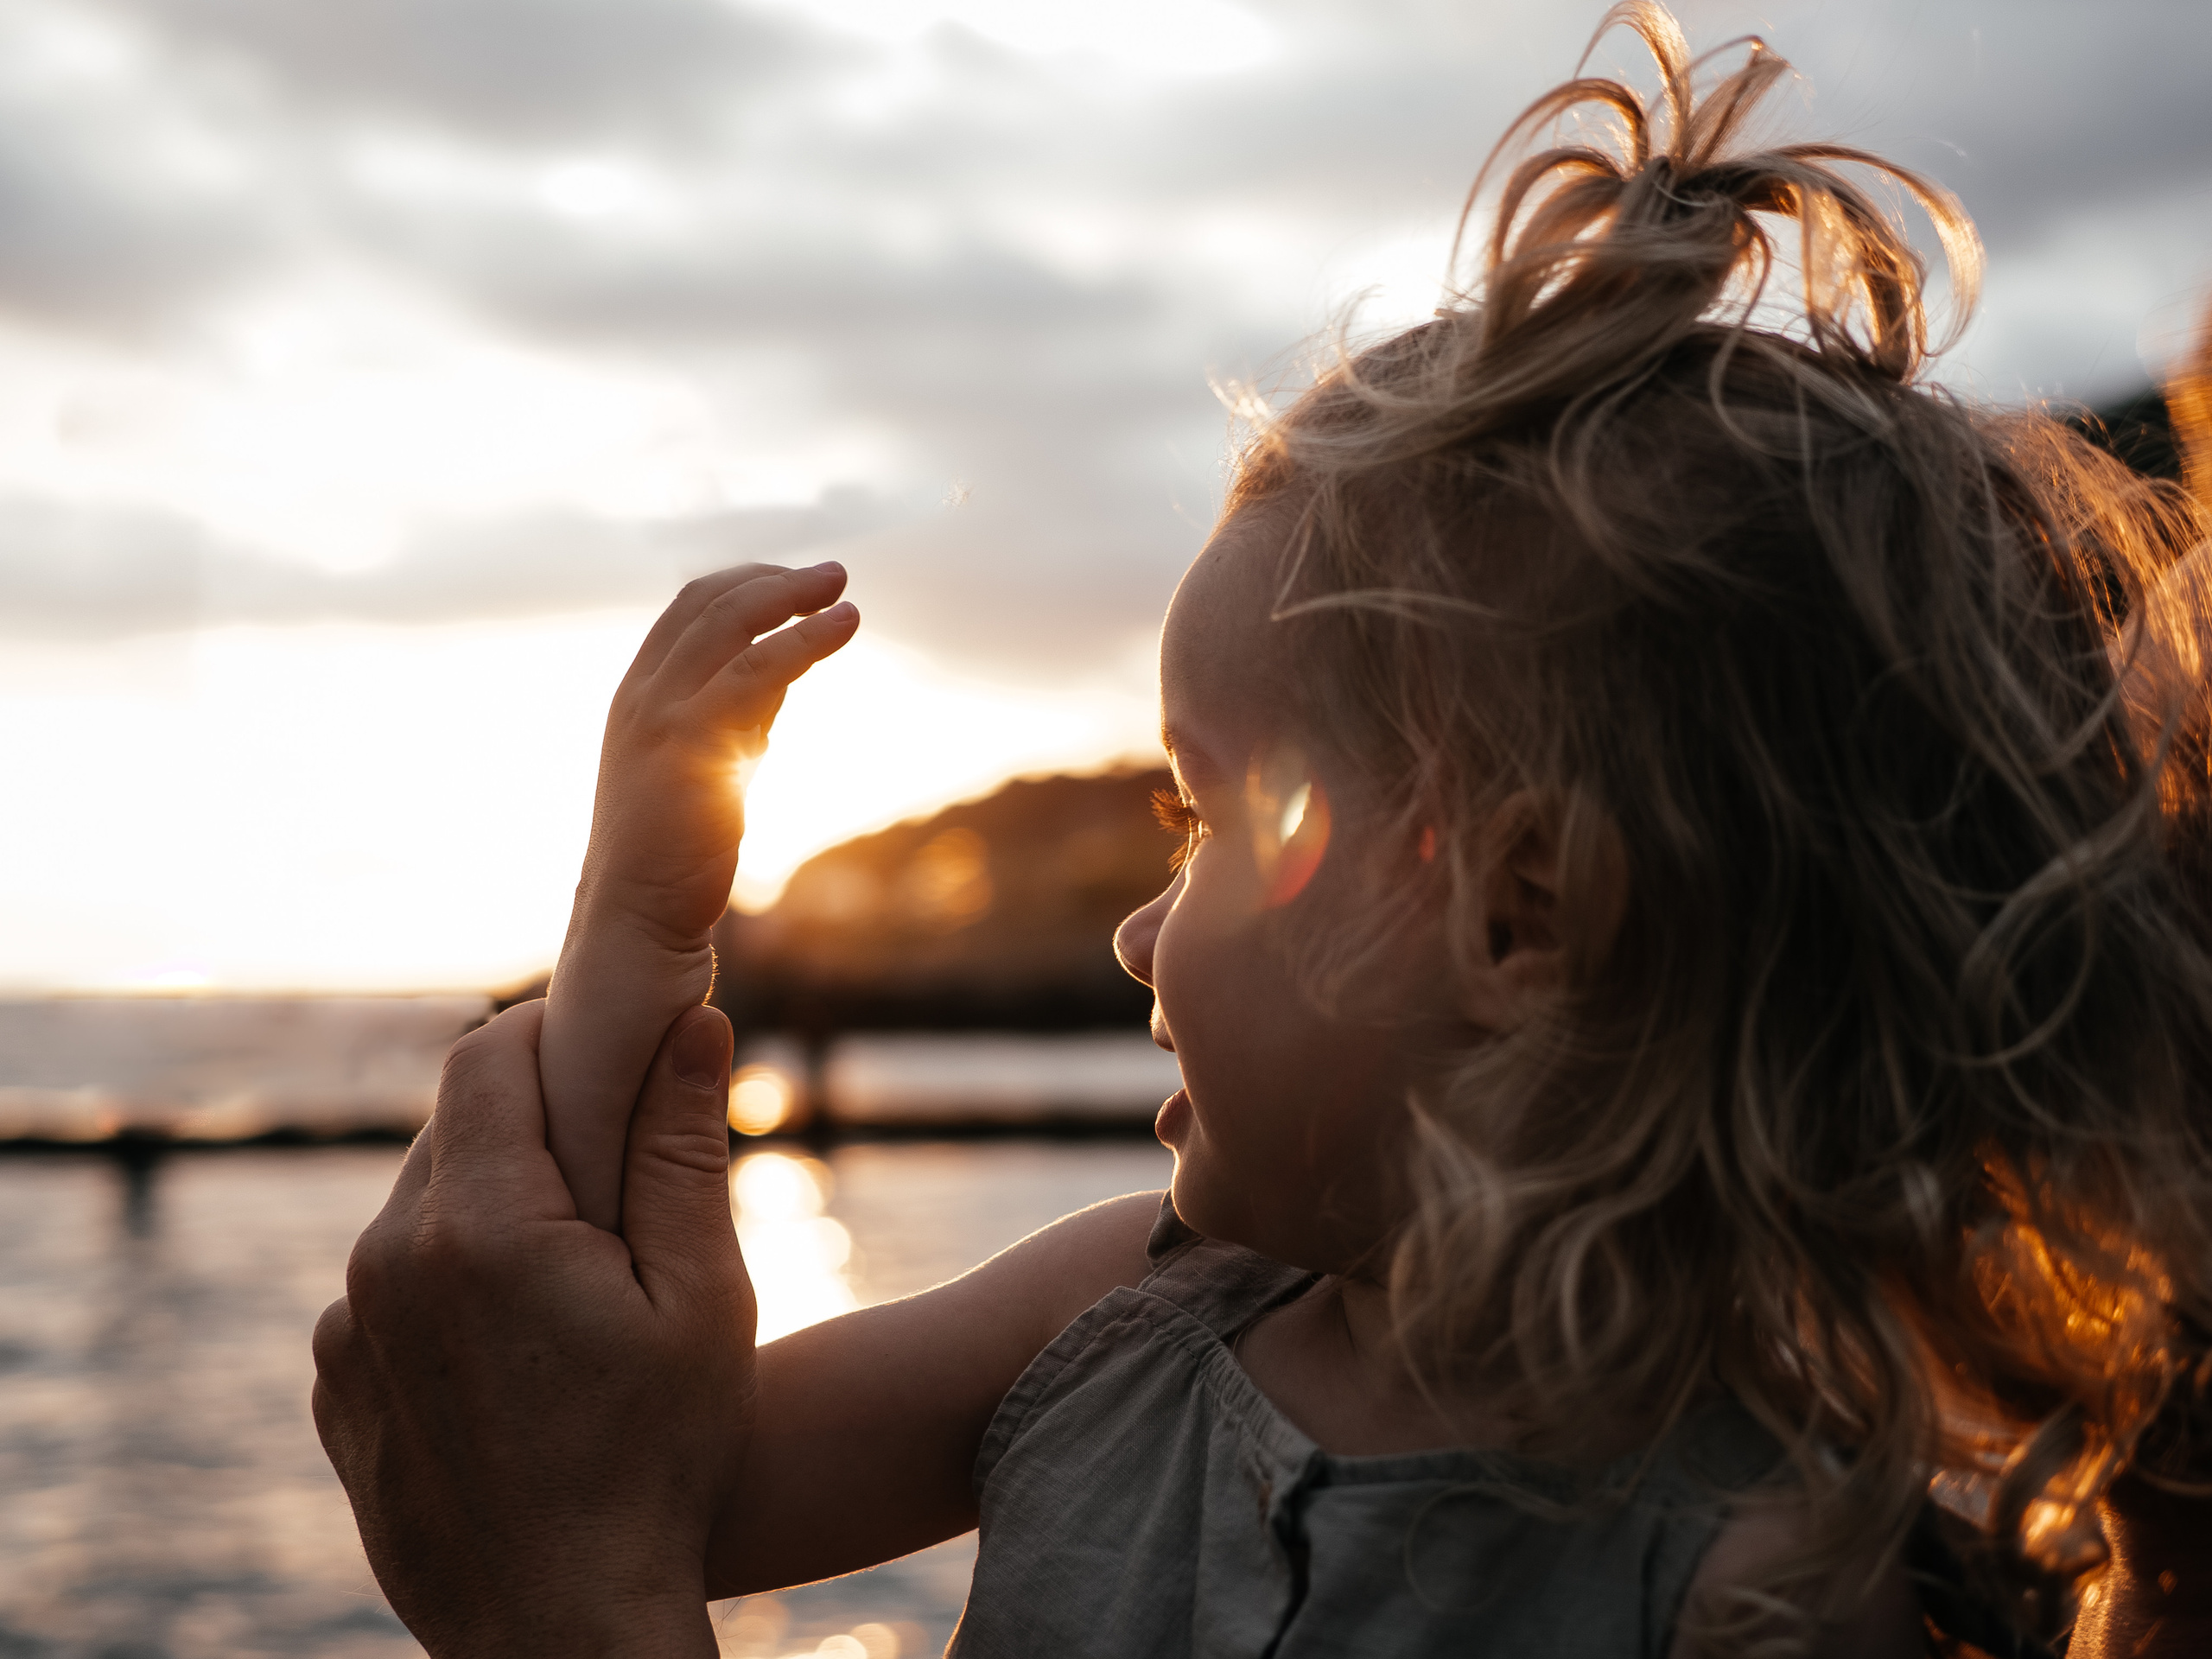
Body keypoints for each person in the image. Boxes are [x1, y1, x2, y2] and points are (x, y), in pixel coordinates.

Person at [313, 5, 2212, 1655]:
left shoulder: (1764, 1586)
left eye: (1209, 817)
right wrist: (635, 930)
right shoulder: (1111, 1316)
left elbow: (575, 1549)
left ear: (1522, 910)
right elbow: (599, 1454)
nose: (1136, 936)